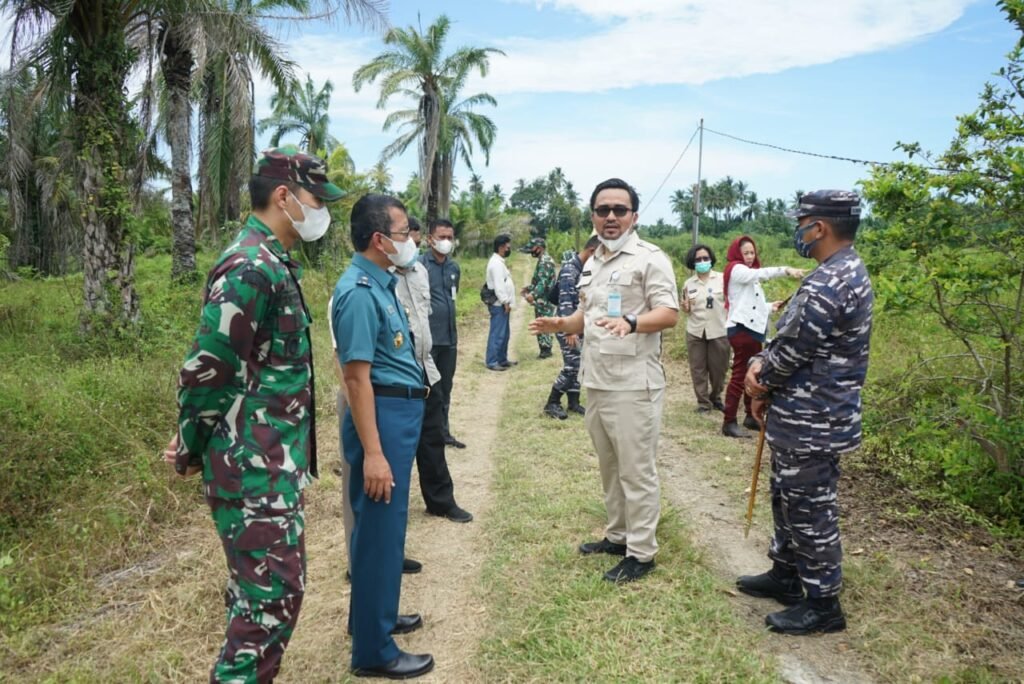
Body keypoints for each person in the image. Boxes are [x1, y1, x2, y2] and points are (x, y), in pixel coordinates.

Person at [164, 146, 344, 683]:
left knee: (266, 597)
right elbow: (209, 369)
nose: (322, 211)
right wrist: (189, 445)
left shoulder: (272, 260)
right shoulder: (250, 264)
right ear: (284, 197)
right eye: (316, 198)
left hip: (268, 464)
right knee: (270, 602)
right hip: (251, 469)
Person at [529, 178, 679, 583]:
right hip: (596, 379)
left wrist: (632, 322)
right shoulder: (593, 261)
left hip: (634, 384)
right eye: (602, 210)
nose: (610, 217)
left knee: (636, 469)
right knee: (610, 467)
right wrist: (561, 322)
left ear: (634, 215)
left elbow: (668, 313)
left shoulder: (650, 259)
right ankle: (618, 535)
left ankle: (642, 552)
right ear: (593, 215)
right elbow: (588, 315)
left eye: (619, 210)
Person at [738, 189, 873, 635]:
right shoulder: (835, 271)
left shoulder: (831, 281)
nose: (799, 230)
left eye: (803, 222)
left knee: (810, 509)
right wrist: (764, 371)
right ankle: (787, 575)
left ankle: (822, 603)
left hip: (813, 420)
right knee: (787, 497)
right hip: (802, 416)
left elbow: (793, 349)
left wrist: (759, 375)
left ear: (821, 227)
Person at [332, 194, 433, 679]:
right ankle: (374, 651)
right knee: (378, 530)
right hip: (382, 416)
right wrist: (373, 453)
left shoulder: (380, 283)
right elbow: (355, 378)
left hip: (398, 412)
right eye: (404, 232)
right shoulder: (356, 292)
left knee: (388, 530)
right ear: (379, 240)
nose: (411, 240)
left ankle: (375, 617)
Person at [720, 235, 804, 438]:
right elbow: (762, 274)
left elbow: (749, 304)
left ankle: (750, 416)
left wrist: (769, 306)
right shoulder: (737, 269)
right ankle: (729, 421)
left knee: (752, 374)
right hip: (742, 329)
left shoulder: (748, 277)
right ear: (737, 254)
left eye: (752, 252)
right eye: (745, 252)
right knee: (740, 376)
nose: (749, 256)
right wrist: (786, 270)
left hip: (751, 329)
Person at [420, 218, 467, 449]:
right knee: (428, 390)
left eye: (450, 237)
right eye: (442, 237)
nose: (446, 242)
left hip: (449, 339)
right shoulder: (419, 266)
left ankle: (444, 433)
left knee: (446, 388)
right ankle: (426, 435)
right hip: (428, 342)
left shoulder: (453, 268)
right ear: (430, 239)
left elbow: (453, 296)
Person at [543, 235, 600, 419]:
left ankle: (573, 402)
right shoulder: (570, 270)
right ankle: (552, 402)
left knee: (579, 363)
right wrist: (570, 330)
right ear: (592, 251)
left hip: (577, 324)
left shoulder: (583, 268)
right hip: (567, 325)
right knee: (573, 365)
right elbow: (566, 302)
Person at [680, 243, 729, 414]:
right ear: (693, 263)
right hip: (696, 330)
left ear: (711, 260)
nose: (702, 261)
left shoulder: (723, 279)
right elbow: (686, 309)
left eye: (705, 258)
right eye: (698, 259)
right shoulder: (688, 284)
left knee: (719, 369)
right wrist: (685, 307)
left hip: (719, 330)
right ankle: (703, 403)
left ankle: (715, 397)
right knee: (698, 368)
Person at [520, 236, 557, 359]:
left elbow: (543, 282)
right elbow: (539, 281)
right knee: (542, 322)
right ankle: (544, 348)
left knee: (543, 322)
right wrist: (529, 288)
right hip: (543, 298)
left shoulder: (545, 261)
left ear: (539, 248)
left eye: (532, 248)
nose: (531, 251)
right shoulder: (543, 260)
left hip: (545, 300)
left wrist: (532, 295)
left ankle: (546, 349)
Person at [485, 234, 515, 371]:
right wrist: (505, 302)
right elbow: (499, 285)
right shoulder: (496, 264)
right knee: (497, 333)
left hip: (502, 303)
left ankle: (502, 359)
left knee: (504, 333)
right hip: (499, 304)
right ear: (501, 247)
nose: (509, 249)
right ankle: (492, 361)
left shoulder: (499, 262)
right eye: (508, 247)